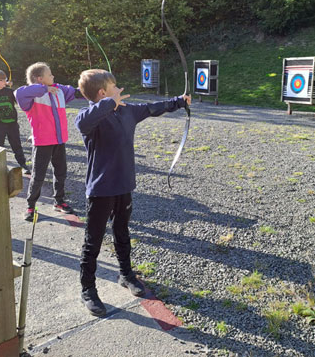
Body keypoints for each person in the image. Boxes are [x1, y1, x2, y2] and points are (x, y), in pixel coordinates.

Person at [74, 68, 191, 316]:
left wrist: (179, 102)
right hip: (101, 190)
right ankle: (88, 290)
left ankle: (126, 275)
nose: (120, 90)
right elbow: (82, 123)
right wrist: (108, 103)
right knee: (92, 242)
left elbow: (151, 108)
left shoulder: (126, 111)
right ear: (102, 92)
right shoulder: (90, 117)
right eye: (115, 87)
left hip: (124, 185)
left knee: (122, 231)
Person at [15, 62, 78, 222]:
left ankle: (59, 201)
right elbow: (18, 93)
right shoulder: (31, 95)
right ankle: (31, 205)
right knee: (38, 175)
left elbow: (78, 92)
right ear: (40, 79)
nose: (53, 76)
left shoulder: (59, 90)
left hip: (59, 140)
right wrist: (44, 89)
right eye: (50, 74)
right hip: (42, 142)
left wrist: (98, 90)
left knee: (61, 172)